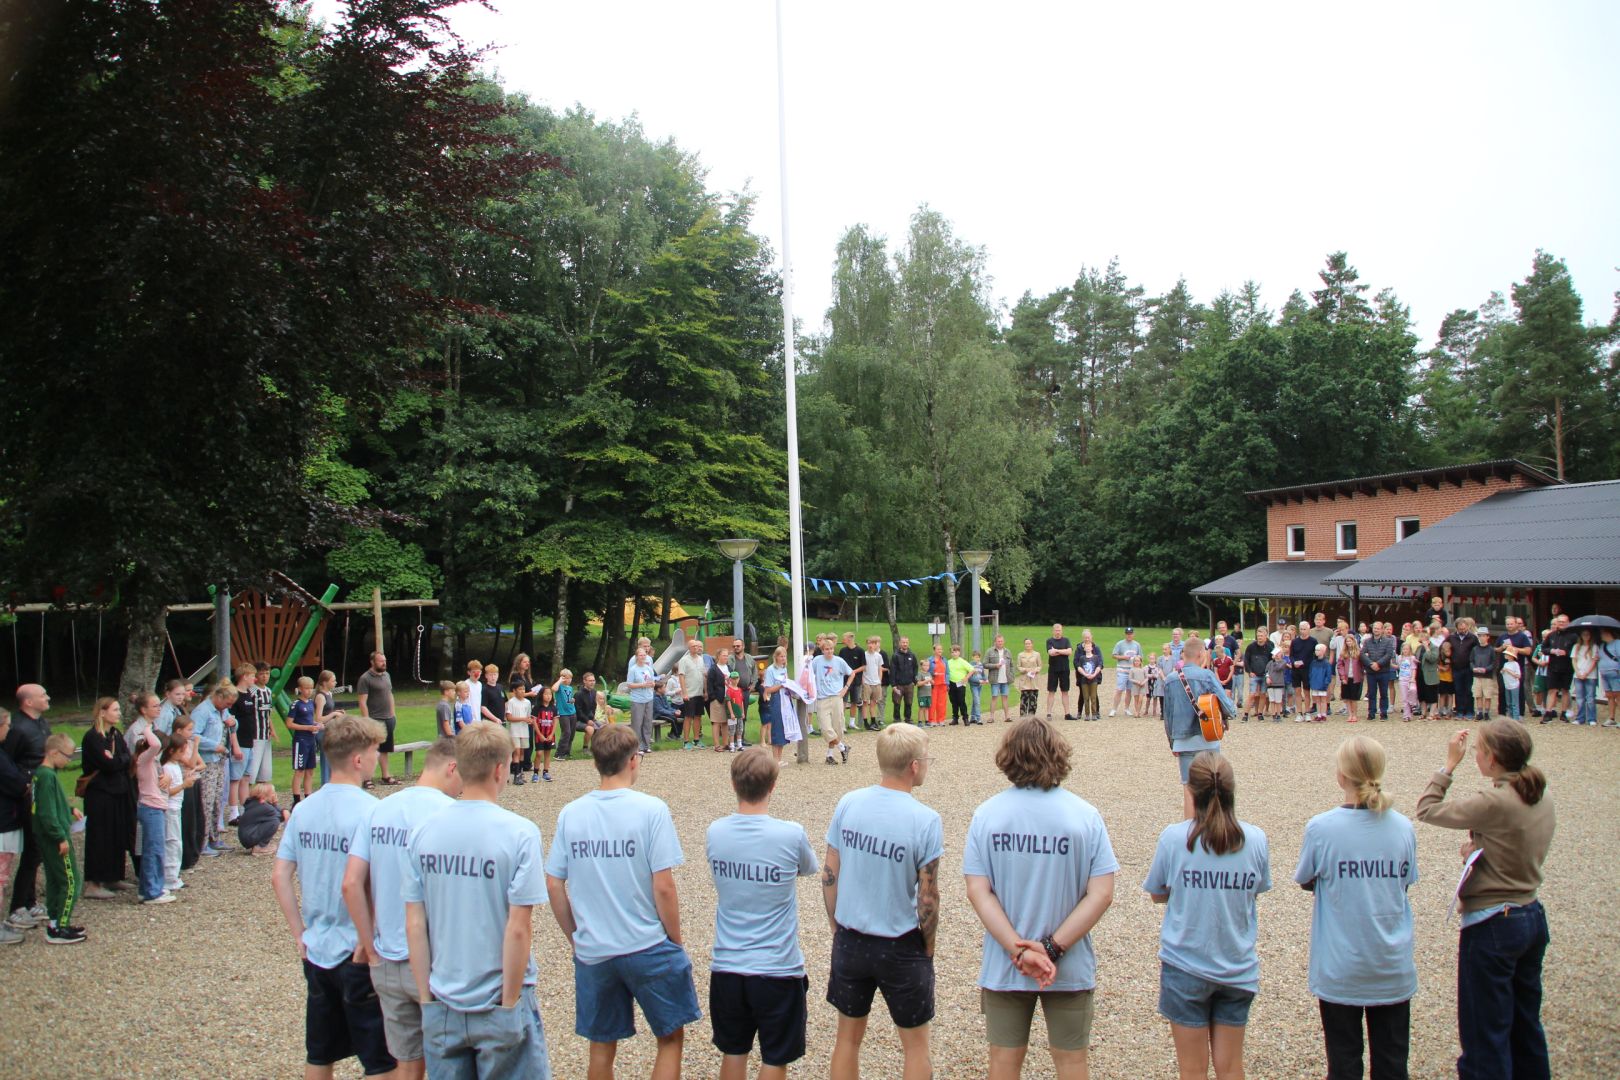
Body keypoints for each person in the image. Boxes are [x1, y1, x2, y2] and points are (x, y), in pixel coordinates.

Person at [964, 719, 1117, 1080]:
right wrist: (1051, 948)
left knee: (1003, 1061)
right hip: (1068, 961)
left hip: (1007, 962)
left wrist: (1018, 951)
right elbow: (1101, 893)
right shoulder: (1084, 816)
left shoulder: (987, 815)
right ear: (1058, 754)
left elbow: (979, 891)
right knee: (1072, 1062)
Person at [546, 724, 698, 1080]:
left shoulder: (571, 813)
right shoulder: (651, 810)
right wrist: (675, 940)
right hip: (646, 943)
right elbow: (664, 886)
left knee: (601, 1047)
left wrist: (575, 937)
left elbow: (554, 884)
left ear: (596, 762)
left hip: (595, 949)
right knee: (670, 1038)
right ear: (632, 761)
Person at [399, 725, 551, 1077]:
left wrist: (426, 999)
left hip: (443, 995)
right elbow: (518, 928)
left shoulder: (423, 831)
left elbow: (415, 924)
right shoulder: (519, 832)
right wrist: (510, 1003)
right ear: (500, 769)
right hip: (498, 996)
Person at [1414, 721, 1555, 1080]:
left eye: (1479, 750)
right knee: (1526, 1028)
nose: (1475, 755)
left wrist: (1449, 765)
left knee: (1484, 1035)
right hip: (1530, 912)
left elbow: (1427, 809)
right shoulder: (1539, 793)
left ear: (1491, 759)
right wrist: (1479, 849)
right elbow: (1516, 843)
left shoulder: (1495, 801)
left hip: (1494, 922)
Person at [271, 714, 397, 1080]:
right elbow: (375, 882)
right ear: (358, 759)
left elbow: (280, 876)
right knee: (380, 1059)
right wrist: (368, 938)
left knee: (319, 1051)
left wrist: (299, 933)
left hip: (317, 946)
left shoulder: (304, 808)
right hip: (357, 948)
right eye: (374, 751)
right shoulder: (371, 811)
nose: (376, 758)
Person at [823, 724, 944, 1080]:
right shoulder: (925, 820)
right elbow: (928, 896)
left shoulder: (849, 803)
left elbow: (830, 872)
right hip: (899, 942)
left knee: (847, 1040)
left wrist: (835, 925)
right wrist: (928, 946)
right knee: (916, 1046)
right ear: (914, 766)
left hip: (851, 936)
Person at [1295, 737, 1418, 1080]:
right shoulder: (1402, 827)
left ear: (1342, 776)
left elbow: (1305, 878)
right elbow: (1405, 881)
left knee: (1344, 1063)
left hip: (1341, 963)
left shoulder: (1322, 828)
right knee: (1393, 1064)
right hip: (1390, 961)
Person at [340, 737, 462, 1080]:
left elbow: (351, 883)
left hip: (386, 955)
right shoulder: (449, 814)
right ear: (452, 768)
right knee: (450, 1061)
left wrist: (369, 946)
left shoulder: (379, 809)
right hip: (436, 958)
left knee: (406, 1063)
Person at [1144, 753, 1271, 1080]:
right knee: (1231, 1068)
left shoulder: (1175, 838)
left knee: (1192, 1069)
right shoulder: (1255, 839)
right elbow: (1256, 889)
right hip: (1236, 965)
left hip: (1186, 962)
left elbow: (1157, 892)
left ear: (1191, 792)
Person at [707, 748, 819, 1079]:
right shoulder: (790, 834)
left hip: (728, 963)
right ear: (773, 786)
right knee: (775, 1056)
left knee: (733, 1051)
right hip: (777, 966)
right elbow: (808, 867)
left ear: (733, 784)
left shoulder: (716, 832)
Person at [1162, 638, 1235, 820]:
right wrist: (1226, 715)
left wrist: (1172, 742)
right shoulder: (1207, 675)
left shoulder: (1170, 679)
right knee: (1212, 786)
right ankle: (1211, 827)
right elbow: (1228, 707)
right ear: (1201, 654)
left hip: (1182, 740)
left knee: (1188, 787)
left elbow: (1167, 716)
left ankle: (1189, 829)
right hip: (1207, 736)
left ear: (1183, 654)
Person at [33, 732, 85, 944]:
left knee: (56, 880)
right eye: (67, 756)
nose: (68, 760)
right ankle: (60, 926)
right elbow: (45, 812)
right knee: (71, 881)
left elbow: (52, 803)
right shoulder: (46, 776)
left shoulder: (45, 774)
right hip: (55, 838)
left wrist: (69, 809)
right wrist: (59, 836)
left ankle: (55, 922)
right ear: (54, 753)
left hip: (50, 836)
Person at [128, 694, 173, 904]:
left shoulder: (151, 760)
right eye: (154, 706)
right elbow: (154, 745)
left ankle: (155, 886)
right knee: (152, 849)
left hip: (156, 804)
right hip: (149, 806)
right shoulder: (143, 756)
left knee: (157, 848)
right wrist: (147, 729)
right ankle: (150, 891)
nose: (158, 708)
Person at [158, 715, 199, 895]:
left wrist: (184, 779)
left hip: (176, 808)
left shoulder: (174, 765)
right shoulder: (167, 767)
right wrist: (184, 785)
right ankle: (169, 878)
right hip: (170, 809)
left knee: (176, 842)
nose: (183, 755)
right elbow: (167, 792)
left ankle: (173, 876)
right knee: (172, 842)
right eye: (181, 752)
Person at [0, 710, 29, 943]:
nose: (9, 730)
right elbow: (16, 783)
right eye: (7, 725)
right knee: (1, 876)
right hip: (3, 821)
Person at [356, 651, 401, 788]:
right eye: (381, 661)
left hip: (388, 718)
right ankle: (366, 778)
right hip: (374, 718)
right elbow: (362, 702)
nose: (384, 663)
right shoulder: (365, 678)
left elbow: (390, 694)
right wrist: (367, 721)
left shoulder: (387, 675)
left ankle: (385, 776)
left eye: (384, 661)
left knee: (385, 749)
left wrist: (393, 714)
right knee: (370, 749)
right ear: (372, 662)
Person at [811, 637, 855, 764]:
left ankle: (829, 755)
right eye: (826, 649)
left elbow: (852, 673)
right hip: (822, 698)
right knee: (825, 728)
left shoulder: (839, 661)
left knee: (837, 727)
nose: (829, 651)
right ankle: (843, 747)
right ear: (822, 650)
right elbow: (809, 673)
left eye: (831, 649)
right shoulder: (817, 661)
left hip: (836, 697)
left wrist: (845, 688)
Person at [288, 677, 322, 806]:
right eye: (306, 688)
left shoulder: (311, 703)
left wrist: (316, 725)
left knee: (310, 770)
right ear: (300, 689)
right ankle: (296, 800)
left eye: (311, 688)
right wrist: (307, 728)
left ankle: (308, 798)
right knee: (299, 770)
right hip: (301, 740)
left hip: (310, 739)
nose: (309, 691)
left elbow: (309, 720)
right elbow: (289, 723)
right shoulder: (296, 704)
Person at [677, 638, 708, 751]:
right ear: (689, 648)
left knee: (698, 716)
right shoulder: (684, 660)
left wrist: (705, 691)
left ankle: (696, 739)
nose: (696, 648)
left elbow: (703, 675)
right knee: (688, 717)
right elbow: (681, 676)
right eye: (694, 646)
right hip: (689, 693)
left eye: (697, 646)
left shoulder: (700, 659)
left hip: (699, 692)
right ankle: (686, 741)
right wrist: (684, 692)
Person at [315, 669, 345, 787]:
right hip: (323, 731)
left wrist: (337, 712)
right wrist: (333, 714)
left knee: (333, 757)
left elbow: (328, 711)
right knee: (326, 758)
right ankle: (325, 783)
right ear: (324, 682)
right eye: (333, 681)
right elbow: (318, 718)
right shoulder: (320, 697)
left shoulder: (329, 694)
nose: (335, 683)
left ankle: (333, 782)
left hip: (331, 729)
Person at [238, 783, 287, 853]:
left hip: (246, 836)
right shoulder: (264, 807)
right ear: (265, 795)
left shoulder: (255, 803)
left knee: (273, 820)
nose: (275, 795)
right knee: (274, 821)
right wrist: (277, 805)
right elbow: (281, 817)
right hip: (249, 837)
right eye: (273, 793)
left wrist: (280, 809)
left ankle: (259, 845)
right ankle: (260, 847)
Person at [505, 672, 533, 785]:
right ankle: (516, 774)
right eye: (520, 689)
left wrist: (529, 720)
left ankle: (520, 772)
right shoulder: (511, 702)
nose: (522, 691)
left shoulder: (527, 702)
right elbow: (509, 717)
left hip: (524, 730)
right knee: (516, 752)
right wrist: (523, 719)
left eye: (523, 689)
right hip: (514, 731)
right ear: (514, 691)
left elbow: (528, 716)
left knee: (522, 752)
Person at [1110, 627, 1143, 718]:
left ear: (1133, 634)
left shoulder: (1137, 645)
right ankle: (1114, 709)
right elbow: (1114, 655)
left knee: (1129, 690)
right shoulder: (1120, 644)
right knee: (1119, 689)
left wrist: (1138, 666)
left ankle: (1127, 708)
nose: (1129, 635)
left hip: (1132, 671)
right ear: (1125, 634)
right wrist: (1123, 657)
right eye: (1128, 634)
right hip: (1122, 670)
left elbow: (1140, 657)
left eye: (1130, 634)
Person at [1570, 628, 1600, 727]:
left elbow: (1594, 662)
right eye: (1584, 634)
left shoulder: (1594, 647)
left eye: (1588, 634)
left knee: (1590, 698)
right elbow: (1573, 660)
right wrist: (1577, 672)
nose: (1586, 636)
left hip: (1590, 675)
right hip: (1578, 675)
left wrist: (1586, 673)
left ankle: (1592, 718)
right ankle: (1580, 718)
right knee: (1579, 698)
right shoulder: (1576, 646)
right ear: (1581, 636)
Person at [1044, 624, 1074, 722]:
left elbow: (1069, 652)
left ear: (1062, 631)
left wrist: (1057, 650)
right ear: (1053, 631)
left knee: (1065, 691)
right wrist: (1063, 651)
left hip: (1064, 669)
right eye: (1056, 630)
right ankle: (1049, 713)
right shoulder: (1049, 641)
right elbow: (1051, 653)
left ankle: (1067, 713)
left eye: (1059, 630)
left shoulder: (1066, 640)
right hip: (1053, 669)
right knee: (1051, 691)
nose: (1058, 632)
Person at [839, 632, 867, 734]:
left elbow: (864, 666)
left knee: (854, 701)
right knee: (843, 702)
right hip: (844, 681)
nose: (843, 640)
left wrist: (853, 672)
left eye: (844, 638)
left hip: (856, 681)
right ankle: (842, 724)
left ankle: (852, 722)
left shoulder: (860, 651)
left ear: (850, 639)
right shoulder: (842, 651)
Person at [1242, 628, 1271, 724]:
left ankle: (1260, 713)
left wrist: (1268, 674)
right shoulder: (1251, 647)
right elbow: (1246, 660)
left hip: (1264, 675)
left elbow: (1271, 662)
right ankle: (1245, 714)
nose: (1260, 637)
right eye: (1258, 636)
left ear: (1266, 636)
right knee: (1252, 694)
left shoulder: (1269, 648)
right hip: (1254, 674)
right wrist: (1249, 671)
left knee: (1263, 694)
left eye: (1261, 636)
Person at [860, 635, 888, 732]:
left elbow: (879, 669)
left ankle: (873, 721)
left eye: (872, 643)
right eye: (869, 643)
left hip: (876, 682)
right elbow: (862, 668)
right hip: (867, 682)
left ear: (876, 644)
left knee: (873, 703)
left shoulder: (878, 656)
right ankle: (865, 722)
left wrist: (879, 681)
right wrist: (863, 681)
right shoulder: (864, 655)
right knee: (865, 702)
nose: (870, 645)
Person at [983, 634, 1013, 723]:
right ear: (995, 642)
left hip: (1005, 679)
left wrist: (1011, 675)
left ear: (1004, 642)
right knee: (994, 697)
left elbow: (1011, 665)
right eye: (998, 641)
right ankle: (991, 717)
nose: (1000, 643)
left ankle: (1007, 716)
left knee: (1005, 697)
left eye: (1001, 641)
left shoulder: (1008, 652)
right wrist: (995, 666)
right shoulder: (989, 651)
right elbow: (984, 664)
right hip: (995, 679)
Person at [891, 636, 920, 725]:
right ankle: (897, 718)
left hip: (909, 684)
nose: (905, 644)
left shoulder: (912, 655)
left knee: (909, 702)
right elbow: (892, 670)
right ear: (900, 643)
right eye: (903, 642)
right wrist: (893, 685)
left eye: (906, 642)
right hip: (898, 684)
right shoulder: (895, 656)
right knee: (897, 702)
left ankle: (908, 718)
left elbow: (915, 667)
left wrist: (914, 681)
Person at [1472, 627, 1500, 720]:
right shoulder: (1475, 649)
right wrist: (1474, 668)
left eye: (1484, 636)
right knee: (1478, 694)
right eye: (1480, 636)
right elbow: (1471, 661)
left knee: (1487, 695)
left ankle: (1487, 713)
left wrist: (1486, 669)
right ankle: (1479, 712)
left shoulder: (1491, 649)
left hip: (1487, 676)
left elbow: (1494, 663)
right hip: (1477, 675)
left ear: (1488, 637)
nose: (1482, 638)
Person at [1074, 632, 1103, 722]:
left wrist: (1094, 673)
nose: (1087, 639)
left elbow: (1100, 662)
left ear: (1091, 637)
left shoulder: (1096, 648)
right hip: (1082, 676)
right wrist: (1084, 673)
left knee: (1094, 695)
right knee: (1083, 694)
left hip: (1094, 676)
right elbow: (1076, 662)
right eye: (1085, 637)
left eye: (1088, 637)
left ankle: (1096, 712)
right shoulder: (1079, 649)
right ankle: (1080, 711)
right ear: (1083, 638)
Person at [533, 686, 559, 780]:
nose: (548, 696)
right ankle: (535, 773)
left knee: (547, 753)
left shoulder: (554, 708)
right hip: (539, 734)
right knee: (539, 753)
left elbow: (555, 721)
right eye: (546, 694)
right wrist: (539, 734)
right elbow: (534, 721)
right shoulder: (537, 707)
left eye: (550, 694)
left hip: (549, 735)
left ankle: (546, 772)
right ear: (541, 695)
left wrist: (552, 734)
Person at [573, 671, 600, 757]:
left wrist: (593, 718)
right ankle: (585, 748)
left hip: (590, 719)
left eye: (593, 680)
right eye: (590, 680)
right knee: (590, 729)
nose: (592, 682)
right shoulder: (578, 694)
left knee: (603, 727)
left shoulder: (594, 692)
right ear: (584, 681)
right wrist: (587, 720)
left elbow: (594, 708)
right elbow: (578, 711)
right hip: (577, 720)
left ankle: (595, 748)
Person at [947, 644, 972, 725]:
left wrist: (966, 677)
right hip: (951, 683)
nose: (954, 654)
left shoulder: (962, 661)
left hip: (960, 684)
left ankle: (965, 718)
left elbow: (972, 669)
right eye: (952, 652)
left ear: (959, 652)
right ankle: (955, 718)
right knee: (953, 701)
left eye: (956, 652)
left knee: (961, 701)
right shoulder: (948, 662)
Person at [1308, 643, 1334, 723]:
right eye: (1316, 650)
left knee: (1323, 700)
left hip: (1322, 684)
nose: (1316, 652)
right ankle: (1318, 714)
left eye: (1318, 650)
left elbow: (1328, 675)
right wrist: (1311, 681)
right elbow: (1310, 673)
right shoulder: (1313, 662)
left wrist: (1326, 683)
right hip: (1315, 684)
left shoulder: (1326, 663)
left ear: (1323, 651)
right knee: (1317, 700)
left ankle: (1323, 715)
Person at [1017, 639, 1042, 719]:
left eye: (1029, 643)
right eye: (1026, 644)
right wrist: (1025, 670)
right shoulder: (1020, 655)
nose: (1028, 645)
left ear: (1032, 644)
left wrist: (1035, 670)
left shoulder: (1037, 654)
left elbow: (1040, 666)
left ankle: (1031, 717)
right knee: (1024, 699)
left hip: (1034, 679)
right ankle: (1023, 717)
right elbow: (1018, 666)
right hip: (1024, 679)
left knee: (1033, 699)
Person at [925, 643, 948, 727]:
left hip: (943, 684)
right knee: (932, 702)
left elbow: (947, 673)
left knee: (942, 703)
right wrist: (931, 677)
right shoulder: (929, 660)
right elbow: (926, 671)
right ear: (934, 650)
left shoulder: (944, 660)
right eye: (938, 649)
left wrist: (947, 683)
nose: (940, 651)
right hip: (933, 684)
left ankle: (941, 720)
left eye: (941, 649)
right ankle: (931, 720)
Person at [1397, 643, 1417, 723]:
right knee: (1404, 698)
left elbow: (1414, 668)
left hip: (1410, 679)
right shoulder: (1400, 658)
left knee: (1413, 690)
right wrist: (1391, 665)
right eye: (1404, 649)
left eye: (1407, 649)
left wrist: (1413, 678)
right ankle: (1406, 715)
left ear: (1410, 650)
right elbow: (1399, 667)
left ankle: (1413, 703)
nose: (1405, 651)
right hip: (1402, 679)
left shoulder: (1412, 658)